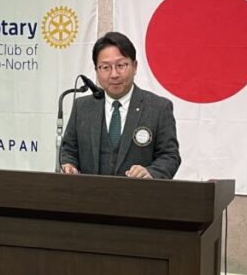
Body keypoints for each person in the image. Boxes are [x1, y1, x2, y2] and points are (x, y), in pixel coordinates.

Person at [60, 31, 180, 179]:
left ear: (134, 66)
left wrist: (151, 173)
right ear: (96, 70)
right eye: (105, 67)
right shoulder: (82, 107)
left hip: (138, 192)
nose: (114, 74)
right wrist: (69, 165)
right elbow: (69, 150)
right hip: (90, 193)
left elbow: (170, 156)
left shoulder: (159, 107)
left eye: (121, 65)